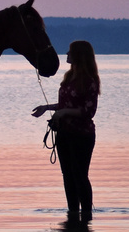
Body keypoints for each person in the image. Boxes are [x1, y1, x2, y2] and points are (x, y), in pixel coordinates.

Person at [33, 40, 99, 220]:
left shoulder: (90, 81)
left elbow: (88, 111)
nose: (66, 54)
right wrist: (47, 108)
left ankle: (86, 215)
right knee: (68, 175)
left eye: (70, 52)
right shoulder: (69, 78)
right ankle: (72, 212)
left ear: (78, 55)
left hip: (82, 135)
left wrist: (63, 113)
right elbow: (64, 105)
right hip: (64, 134)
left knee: (80, 174)